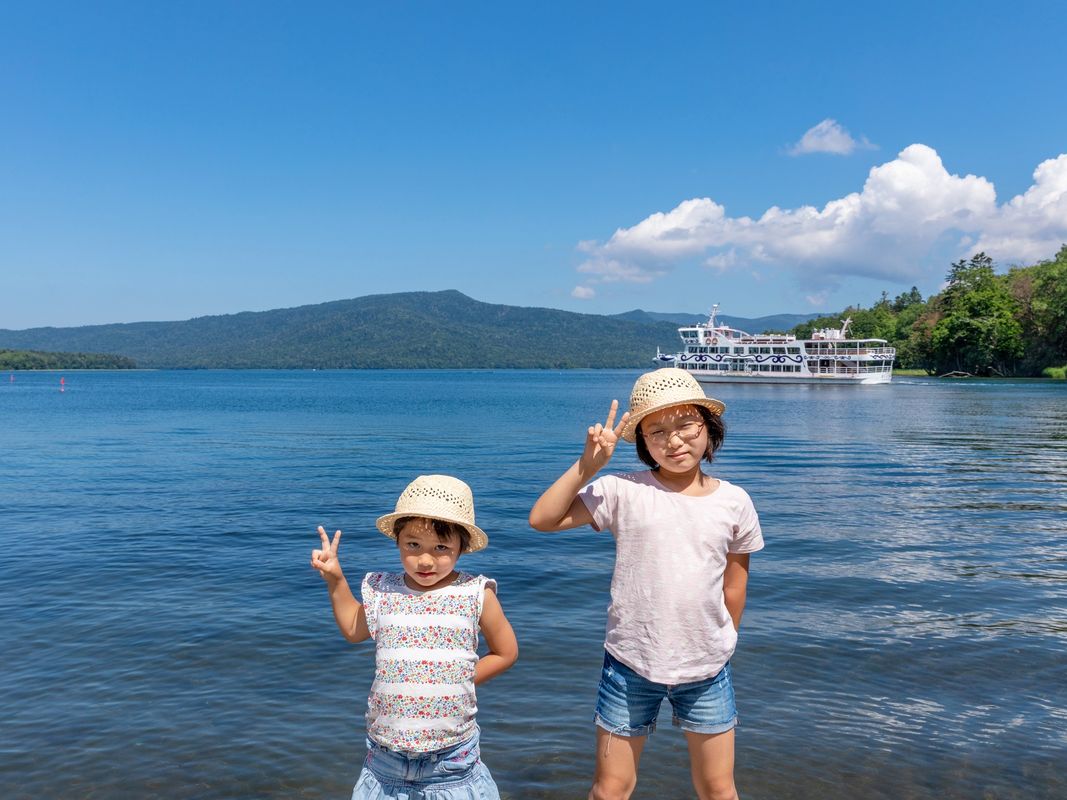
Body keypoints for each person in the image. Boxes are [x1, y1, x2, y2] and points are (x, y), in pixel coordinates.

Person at [529, 368, 763, 800]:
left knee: (718, 789)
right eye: (657, 431)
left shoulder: (735, 501)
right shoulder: (622, 490)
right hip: (629, 663)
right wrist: (586, 467)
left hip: (707, 667)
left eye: (686, 425)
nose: (674, 441)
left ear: (708, 428)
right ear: (642, 442)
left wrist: (727, 636)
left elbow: (735, 583)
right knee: (610, 789)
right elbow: (543, 519)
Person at [311, 474, 518, 799]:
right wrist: (335, 580)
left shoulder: (475, 593)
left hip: (452, 761)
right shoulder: (384, 591)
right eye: (413, 545)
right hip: (385, 761)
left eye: (441, 547)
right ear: (397, 541)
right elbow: (352, 627)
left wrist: (458, 679)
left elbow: (506, 652)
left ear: (462, 547)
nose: (425, 559)